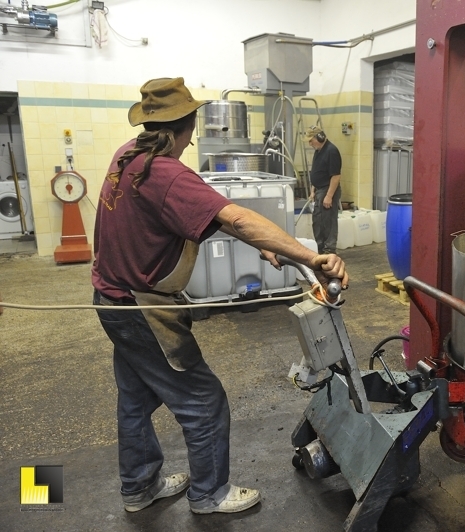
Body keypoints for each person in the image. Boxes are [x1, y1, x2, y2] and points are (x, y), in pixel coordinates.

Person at [91, 78, 348, 515]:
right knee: (203, 401)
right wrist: (312, 256)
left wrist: (262, 244)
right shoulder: (167, 172)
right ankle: (209, 494)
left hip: (109, 297)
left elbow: (200, 218)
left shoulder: (128, 157)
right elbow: (237, 218)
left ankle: (139, 487)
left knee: (134, 398)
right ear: (188, 125)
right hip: (140, 308)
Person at [305, 126, 342, 254]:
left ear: (319, 137)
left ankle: (329, 250)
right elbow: (317, 172)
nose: (310, 144)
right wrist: (312, 191)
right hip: (319, 190)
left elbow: (336, 176)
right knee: (318, 222)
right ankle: (320, 248)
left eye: (311, 140)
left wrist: (329, 196)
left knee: (328, 222)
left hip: (328, 190)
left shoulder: (331, 151)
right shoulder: (319, 150)